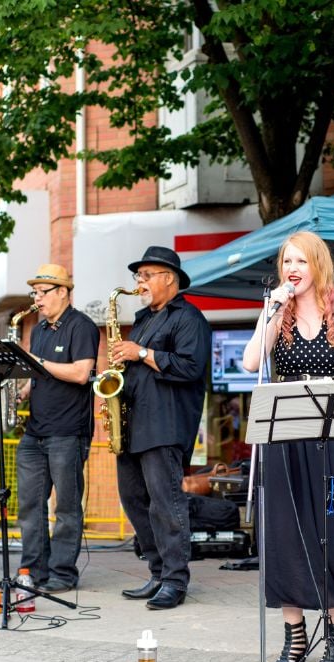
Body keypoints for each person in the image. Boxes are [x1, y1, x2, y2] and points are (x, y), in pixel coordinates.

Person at [241, 230, 334, 662]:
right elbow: (250, 363)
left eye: (301, 262)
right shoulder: (276, 311)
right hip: (287, 440)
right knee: (286, 535)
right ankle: (295, 636)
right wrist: (271, 313)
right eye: (287, 262)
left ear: (318, 265)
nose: (292, 269)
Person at [112, 246, 211, 610]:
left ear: (169, 278)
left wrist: (140, 353)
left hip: (165, 425)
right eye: (138, 277)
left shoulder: (189, 318)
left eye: (146, 275)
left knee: (166, 504)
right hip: (135, 424)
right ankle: (156, 571)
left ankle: (175, 579)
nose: (140, 283)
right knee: (135, 500)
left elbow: (189, 366)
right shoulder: (143, 319)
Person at [15, 265, 99, 593]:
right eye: (34, 293)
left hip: (67, 431)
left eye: (42, 292)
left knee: (65, 506)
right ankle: (35, 569)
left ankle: (62, 573)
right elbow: (41, 373)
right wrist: (23, 389)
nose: (37, 299)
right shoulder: (39, 329)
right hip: (35, 431)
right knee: (30, 505)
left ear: (63, 291)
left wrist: (37, 364)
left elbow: (81, 373)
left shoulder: (82, 326)